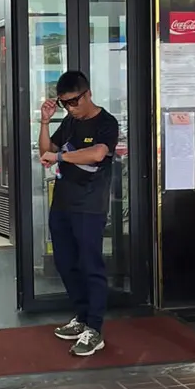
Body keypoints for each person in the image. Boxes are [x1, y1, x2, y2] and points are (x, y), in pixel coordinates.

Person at [38, 70, 120, 358]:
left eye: (74, 101)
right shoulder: (69, 122)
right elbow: (46, 151)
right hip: (63, 202)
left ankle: (95, 329)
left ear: (88, 94)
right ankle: (82, 317)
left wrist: (60, 157)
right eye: (65, 103)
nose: (71, 108)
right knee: (65, 263)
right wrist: (45, 122)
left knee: (90, 264)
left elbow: (97, 154)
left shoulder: (107, 122)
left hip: (90, 204)